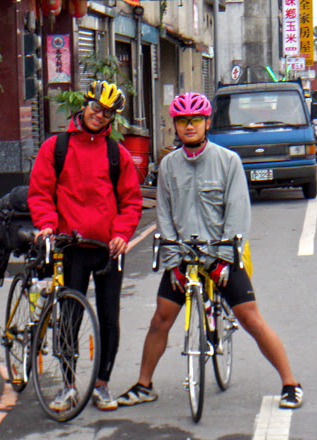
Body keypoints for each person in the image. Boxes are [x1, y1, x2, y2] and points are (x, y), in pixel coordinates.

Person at [117, 92, 303, 409]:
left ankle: (290, 383)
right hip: (183, 255)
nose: (189, 126)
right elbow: (164, 214)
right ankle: (144, 385)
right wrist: (174, 262)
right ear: (175, 126)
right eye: (182, 121)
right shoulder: (168, 165)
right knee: (160, 319)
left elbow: (238, 215)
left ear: (206, 123)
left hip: (222, 255)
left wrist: (223, 259)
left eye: (195, 120)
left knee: (250, 318)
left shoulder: (227, 161)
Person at [28, 80, 143, 412]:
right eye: (96, 107)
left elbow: (132, 202)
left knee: (109, 317)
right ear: (84, 103)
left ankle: (102, 385)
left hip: (108, 249)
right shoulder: (56, 147)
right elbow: (40, 193)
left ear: (113, 119)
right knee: (69, 318)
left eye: (107, 113)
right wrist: (47, 225)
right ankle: (68, 385)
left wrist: (122, 232)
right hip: (71, 246)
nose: (99, 116)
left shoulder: (115, 153)